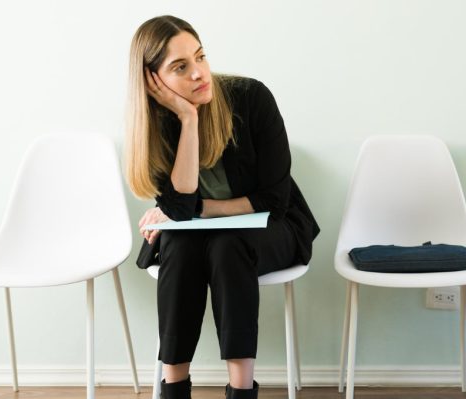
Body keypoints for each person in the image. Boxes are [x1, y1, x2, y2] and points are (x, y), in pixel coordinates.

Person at [123, 15, 320, 399]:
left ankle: (241, 391)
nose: (199, 74)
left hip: (274, 229)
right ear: (153, 81)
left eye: (200, 57)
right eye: (180, 67)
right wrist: (188, 118)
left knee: (229, 246)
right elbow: (179, 209)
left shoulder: (251, 98)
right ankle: (173, 387)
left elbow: (273, 202)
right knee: (178, 247)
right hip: (200, 236)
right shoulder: (158, 124)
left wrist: (200, 209)